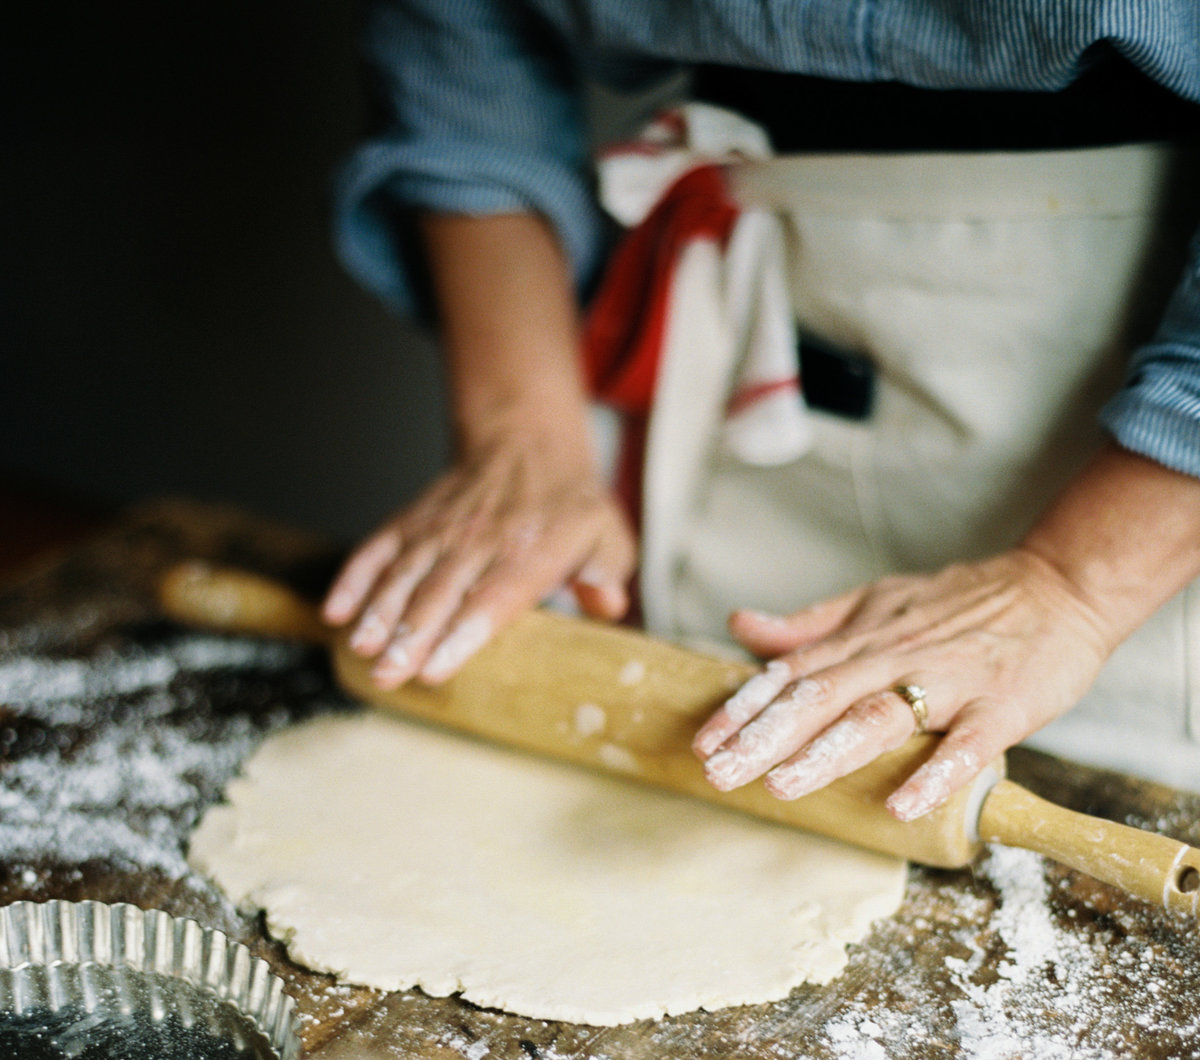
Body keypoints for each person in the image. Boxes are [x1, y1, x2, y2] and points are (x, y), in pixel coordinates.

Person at [323, 2, 1200, 819]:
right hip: (744, 311)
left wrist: (1077, 586)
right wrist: (520, 432)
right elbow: (459, 30)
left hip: (1141, 465)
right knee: (700, 768)